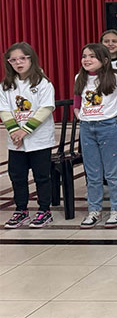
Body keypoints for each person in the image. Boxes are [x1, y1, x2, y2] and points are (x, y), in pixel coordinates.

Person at [74, 43, 117, 228]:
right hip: (88, 128)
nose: (87, 60)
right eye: (84, 56)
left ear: (104, 60)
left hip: (109, 127)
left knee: (112, 172)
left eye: (92, 56)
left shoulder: (115, 76)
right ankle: (94, 210)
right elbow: (78, 95)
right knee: (92, 173)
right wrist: (76, 110)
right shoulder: (79, 77)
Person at [1, 43, 56, 229]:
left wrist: (25, 130)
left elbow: (46, 108)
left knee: (41, 176)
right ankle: (21, 210)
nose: (18, 63)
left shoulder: (43, 83)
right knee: (17, 176)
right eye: (13, 60)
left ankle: (44, 210)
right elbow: (5, 110)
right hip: (15, 141)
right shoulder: (6, 85)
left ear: (30, 58)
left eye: (22, 58)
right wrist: (15, 131)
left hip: (39, 139)